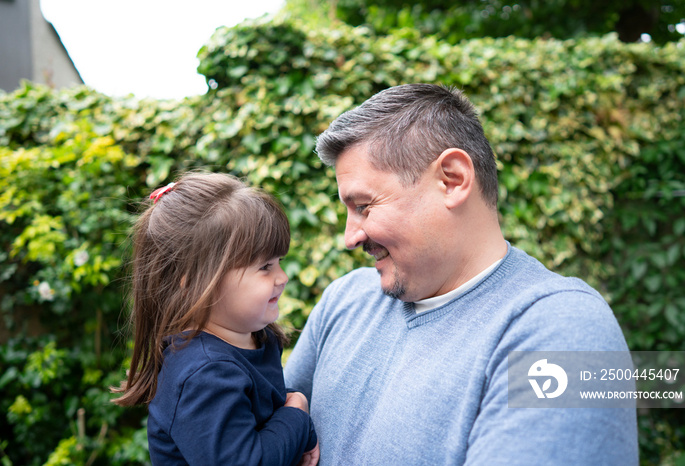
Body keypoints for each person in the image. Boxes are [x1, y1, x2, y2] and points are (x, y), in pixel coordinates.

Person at [284, 84, 638, 464]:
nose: (350, 237)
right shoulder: (345, 299)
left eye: (364, 206)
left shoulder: (566, 331)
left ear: (452, 179)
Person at [112, 172, 319, 466]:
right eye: (265, 267)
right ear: (197, 281)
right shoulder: (204, 374)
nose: (282, 278)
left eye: (279, 262)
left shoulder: (253, 338)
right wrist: (297, 416)